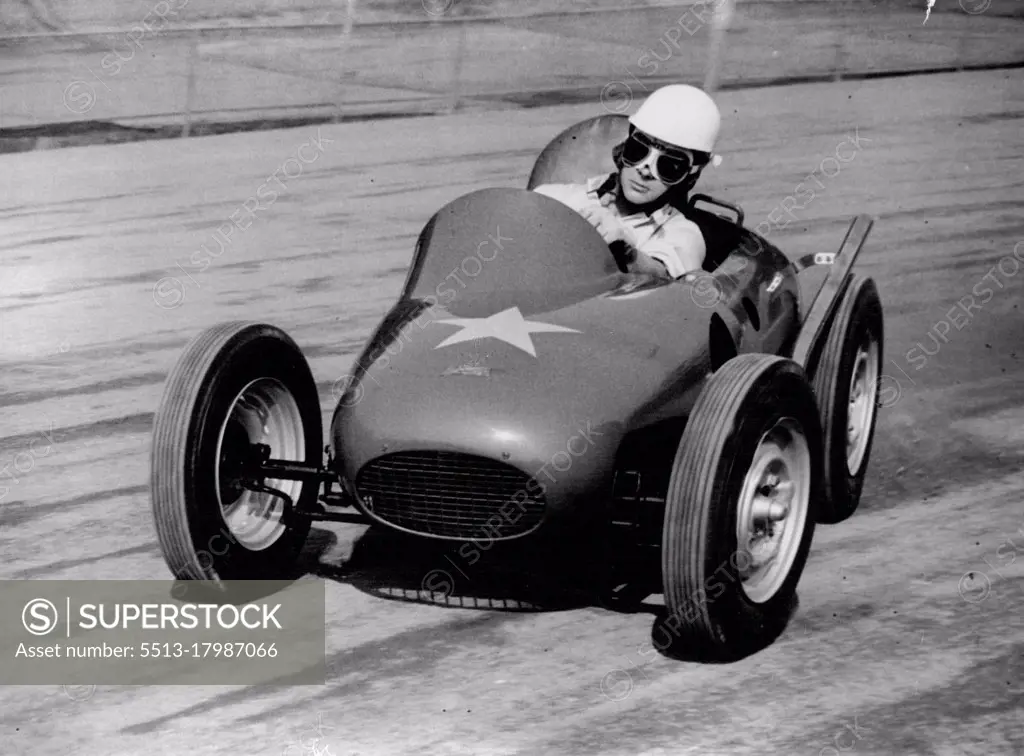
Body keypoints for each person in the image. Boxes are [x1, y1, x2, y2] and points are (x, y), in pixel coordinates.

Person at [534, 84, 722, 280]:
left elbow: (661, 276)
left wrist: (624, 251)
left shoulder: (682, 235)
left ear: (689, 175)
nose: (644, 170)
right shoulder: (553, 196)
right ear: (624, 147)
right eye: (638, 150)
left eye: (669, 165)